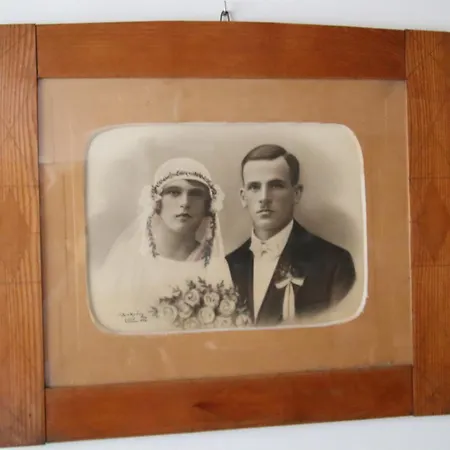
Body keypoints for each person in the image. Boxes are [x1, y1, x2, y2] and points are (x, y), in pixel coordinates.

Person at [89, 157, 251, 334]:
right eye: (174, 192)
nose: (185, 203)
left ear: (207, 206)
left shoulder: (215, 266)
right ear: (157, 203)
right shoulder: (127, 262)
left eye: (195, 194)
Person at [226, 144, 356, 327]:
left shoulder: (334, 264)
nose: (264, 197)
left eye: (276, 185)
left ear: (296, 194)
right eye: (254, 187)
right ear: (243, 196)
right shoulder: (227, 266)